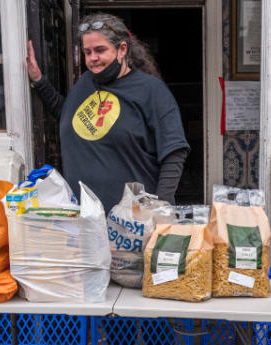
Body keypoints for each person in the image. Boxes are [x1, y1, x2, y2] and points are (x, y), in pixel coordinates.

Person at [26, 13, 190, 210]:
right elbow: (69, 116)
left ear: (122, 49)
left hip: (132, 221)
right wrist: (39, 81)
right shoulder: (85, 83)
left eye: (100, 50)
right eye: (87, 52)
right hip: (86, 215)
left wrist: (161, 207)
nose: (93, 58)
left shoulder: (152, 91)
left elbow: (174, 151)